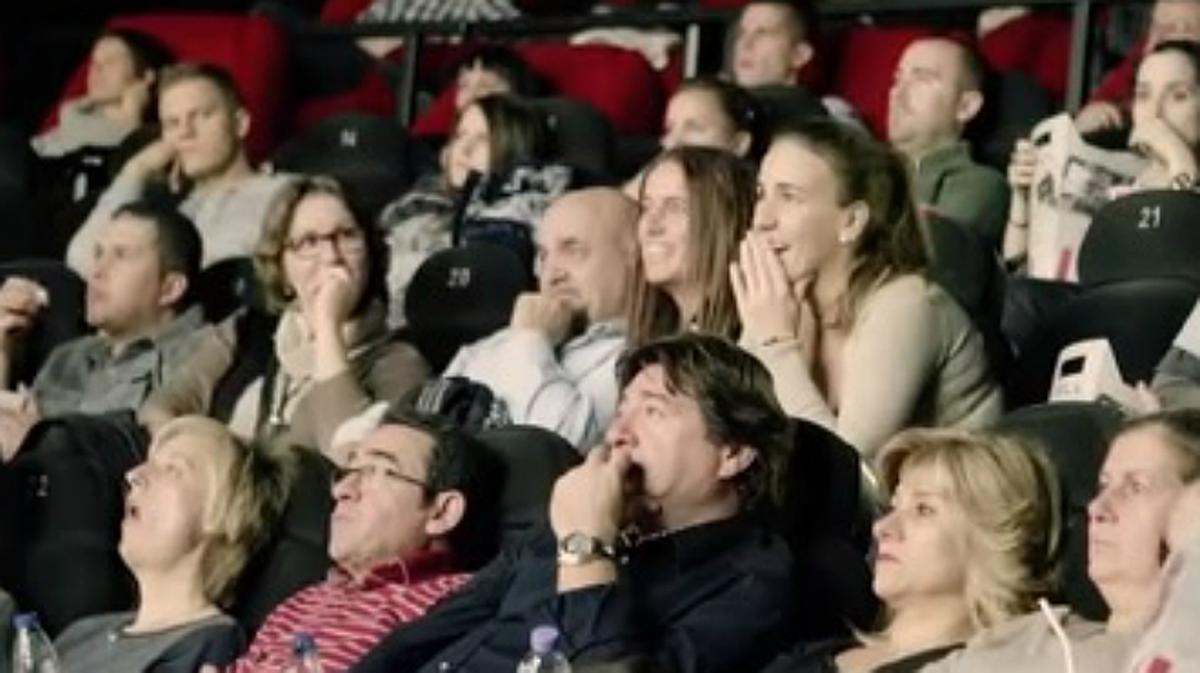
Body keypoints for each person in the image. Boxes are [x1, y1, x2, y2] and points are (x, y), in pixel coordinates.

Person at [348, 333, 797, 673]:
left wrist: (587, 546)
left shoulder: (753, 583)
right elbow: (425, 636)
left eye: (653, 411)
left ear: (733, 453)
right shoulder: (568, 517)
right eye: (621, 410)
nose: (620, 431)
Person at [733, 119, 1002, 458]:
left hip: (954, 502)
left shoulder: (907, 304)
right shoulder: (789, 302)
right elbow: (728, 428)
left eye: (789, 196)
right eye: (761, 194)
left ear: (851, 222)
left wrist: (775, 343)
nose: (762, 219)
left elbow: (847, 472)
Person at [139, 176, 428, 463]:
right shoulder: (248, 329)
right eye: (309, 242)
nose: (331, 256)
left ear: (371, 254)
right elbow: (162, 405)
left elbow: (350, 457)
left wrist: (327, 326)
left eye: (347, 235)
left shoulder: (399, 362)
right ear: (281, 267)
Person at [217, 406, 497, 673]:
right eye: (348, 471)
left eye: (376, 471)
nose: (342, 490)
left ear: (443, 512)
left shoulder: (460, 603)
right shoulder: (301, 602)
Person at [920, 408, 1200, 673]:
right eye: (1103, 486)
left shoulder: (1174, 654)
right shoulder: (1031, 634)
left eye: (1136, 487)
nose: (1097, 508)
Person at [764, 428, 1062, 673]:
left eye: (923, 509)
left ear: (993, 538)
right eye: (894, 507)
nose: (883, 528)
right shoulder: (817, 651)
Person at [52, 415, 289, 673]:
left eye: (172, 468)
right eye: (146, 463)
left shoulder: (208, 647)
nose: (133, 475)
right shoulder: (81, 633)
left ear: (222, 515)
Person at [0, 200, 206, 461]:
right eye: (97, 254)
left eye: (121, 255)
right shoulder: (69, 356)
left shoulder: (199, 357)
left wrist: (36, 439)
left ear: (170, 288)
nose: (96, 271)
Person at [438, 188, 638, 450]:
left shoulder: (642, 360)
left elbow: (555, 449)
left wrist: (531, 340)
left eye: (573, 249)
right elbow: (426, 425)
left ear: (633, 257)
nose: (551, 275)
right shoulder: (502, 341)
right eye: (543, 256)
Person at [66, 62, 290, 275]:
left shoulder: (288, 194)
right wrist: (136, 170)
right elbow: (82, 262)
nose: (185, 133)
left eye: (201, 116)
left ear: (240, 124)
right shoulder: (162, 208)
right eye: (172, 123)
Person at [1004, 40, 1200, 264]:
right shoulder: (1115, 176)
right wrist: (1021, 199)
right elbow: (1017, 265)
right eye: (1143, 95)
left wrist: (1178, 158)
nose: (1155, 112)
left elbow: (1179, 262)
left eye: (1178, 96)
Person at [377, 93, 552, 328]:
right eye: (460, 136)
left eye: (483, 139)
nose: (465, 148)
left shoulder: (524, 220)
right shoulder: (412, 209)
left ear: (513, 146)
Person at [889, 37, 1010, 250]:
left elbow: (927, 259)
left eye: (922, 78)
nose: (897, 92)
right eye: (897, 78)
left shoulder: (980, 185)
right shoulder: (859, 167)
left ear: (966, 106)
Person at [628, 146, 755, 346]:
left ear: (723, 222)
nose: (651, 226)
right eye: (646, 207)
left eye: (675, 207)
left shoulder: (751, 340)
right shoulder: (656, 338)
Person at [32, 28, 173, 158]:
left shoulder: (160, 133)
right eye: (94, 62)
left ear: (146, 76)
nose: (96, 70)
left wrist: (132, 115)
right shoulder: (77, 114)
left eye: (110, 62)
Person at [1075, 0, 1200, 135]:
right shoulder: (1142, 58)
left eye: (1188, 29)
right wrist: (1090, 118)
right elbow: (1101, 102)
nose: (1163, 37)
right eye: (1158, 27)